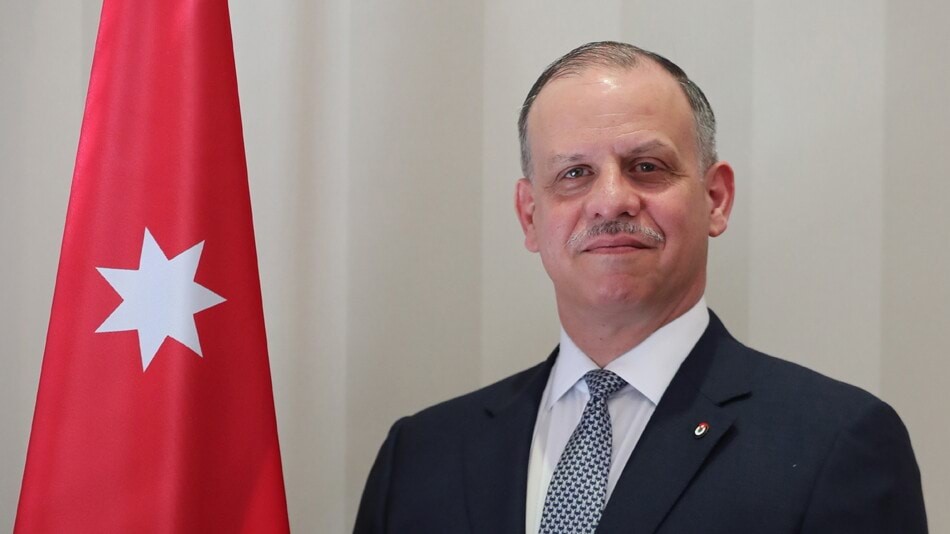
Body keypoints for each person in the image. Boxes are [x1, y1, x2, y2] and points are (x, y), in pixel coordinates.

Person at [353, 41, 927, 533]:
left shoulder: (834, 444)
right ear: (530, 216)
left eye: (646, 166)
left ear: (715, 199)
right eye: (574, 173)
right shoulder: (420, 456)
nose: (611, 201)